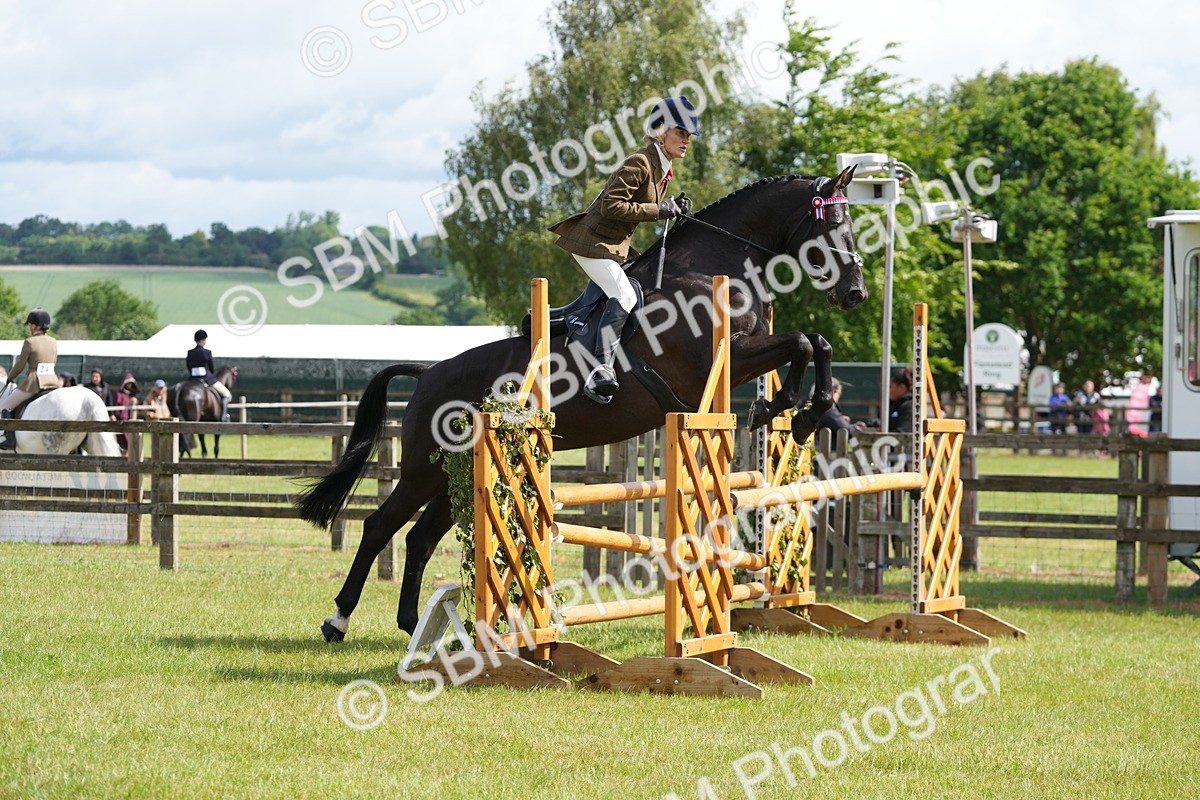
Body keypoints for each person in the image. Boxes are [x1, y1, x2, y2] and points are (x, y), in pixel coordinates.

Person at [548, 95, 700, 403]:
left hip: (611, 246)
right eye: (680, 132)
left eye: (688, 135)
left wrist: (671, 209)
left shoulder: (661, 167)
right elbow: (612, 205)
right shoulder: (640, 162)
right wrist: (660, 210)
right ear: (660, 130)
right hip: (592, 242)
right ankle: (600, 369)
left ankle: (565, 321)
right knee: (625, 295)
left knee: (622, 289)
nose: (686, 140)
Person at [0, 309, 62, 450]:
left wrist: (10, 377)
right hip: (53, 382)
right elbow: (53, 362)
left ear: (36, 326)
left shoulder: (30, 342)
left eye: (30, 325)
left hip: (34, 383)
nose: (29, 327)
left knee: (4, 407)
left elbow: (20, 365)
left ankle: (9, 439)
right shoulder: (53, 341)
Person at [187, 329, 231, 421]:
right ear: (203, 340)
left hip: (192, 379)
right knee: (227, 394)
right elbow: (211, 368)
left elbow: (189, 367)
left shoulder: (190, 353)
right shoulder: (207, 352)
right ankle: (223, 417)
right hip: (207, 378)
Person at [110, 373, 139, 452]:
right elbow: (116, 407)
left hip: (131, 422)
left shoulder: (133, 395)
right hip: (121, 422)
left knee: (132, 441)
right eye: (128, 383)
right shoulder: (119, 395)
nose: (129, 385)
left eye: (131, 384)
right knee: (122, 442)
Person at [886, 367, 914, 433]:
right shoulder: (892, 405)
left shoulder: (910, 406)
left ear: (901, 387)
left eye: (891, 387)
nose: (888, 391)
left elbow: (904, 430)